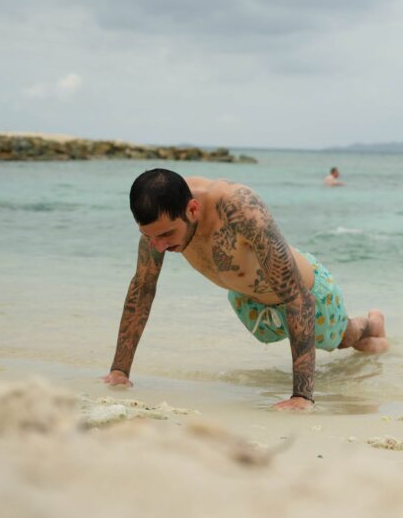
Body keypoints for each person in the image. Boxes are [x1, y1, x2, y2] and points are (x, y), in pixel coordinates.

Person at [102, 169, 387, 410]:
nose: (160, 246)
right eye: (150, 237)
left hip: (307, 295)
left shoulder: (239, 207)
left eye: (166, 235)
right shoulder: (161, 215)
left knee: (344, 339)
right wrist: (119, 371)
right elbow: (143, 287)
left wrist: (301, 396)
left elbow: (297, 297)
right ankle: (373, 340)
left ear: (192, 208)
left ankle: (372, 324)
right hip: (251, 304)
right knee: (350, 344)